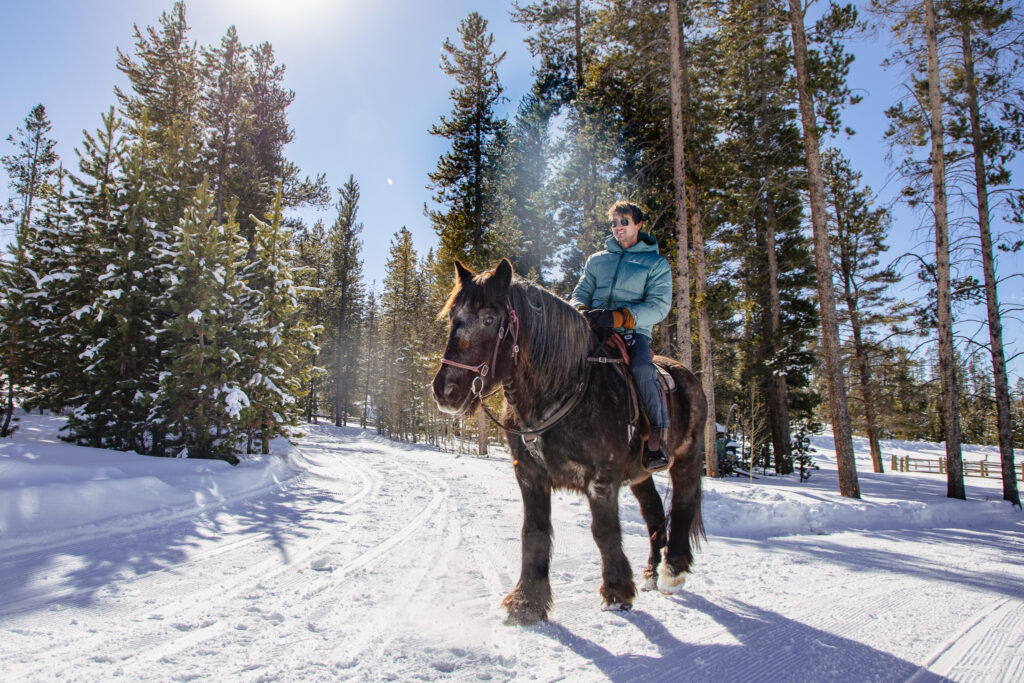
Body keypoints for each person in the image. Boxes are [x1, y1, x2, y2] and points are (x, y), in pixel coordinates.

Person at [570, 201, 672, 472]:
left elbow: (659, 307)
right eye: (614, 223)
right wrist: (580, 309)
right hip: (593, 329)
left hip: (632, 332)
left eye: (624, 222)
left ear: (638, 225)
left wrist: (621, 317)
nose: (618, 228)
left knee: (640, 367)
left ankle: (656, 437)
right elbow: (581, 292)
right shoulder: (597, 260)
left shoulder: (655, 263)